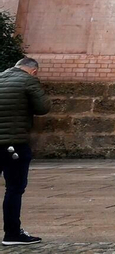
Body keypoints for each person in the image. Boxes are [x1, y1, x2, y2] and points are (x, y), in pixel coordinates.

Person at [0, 57, 50, 246]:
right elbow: (43, 107)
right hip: (14, 144)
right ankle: (12, 233)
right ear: (33, 71)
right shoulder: (29, 81)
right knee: (14, 189)